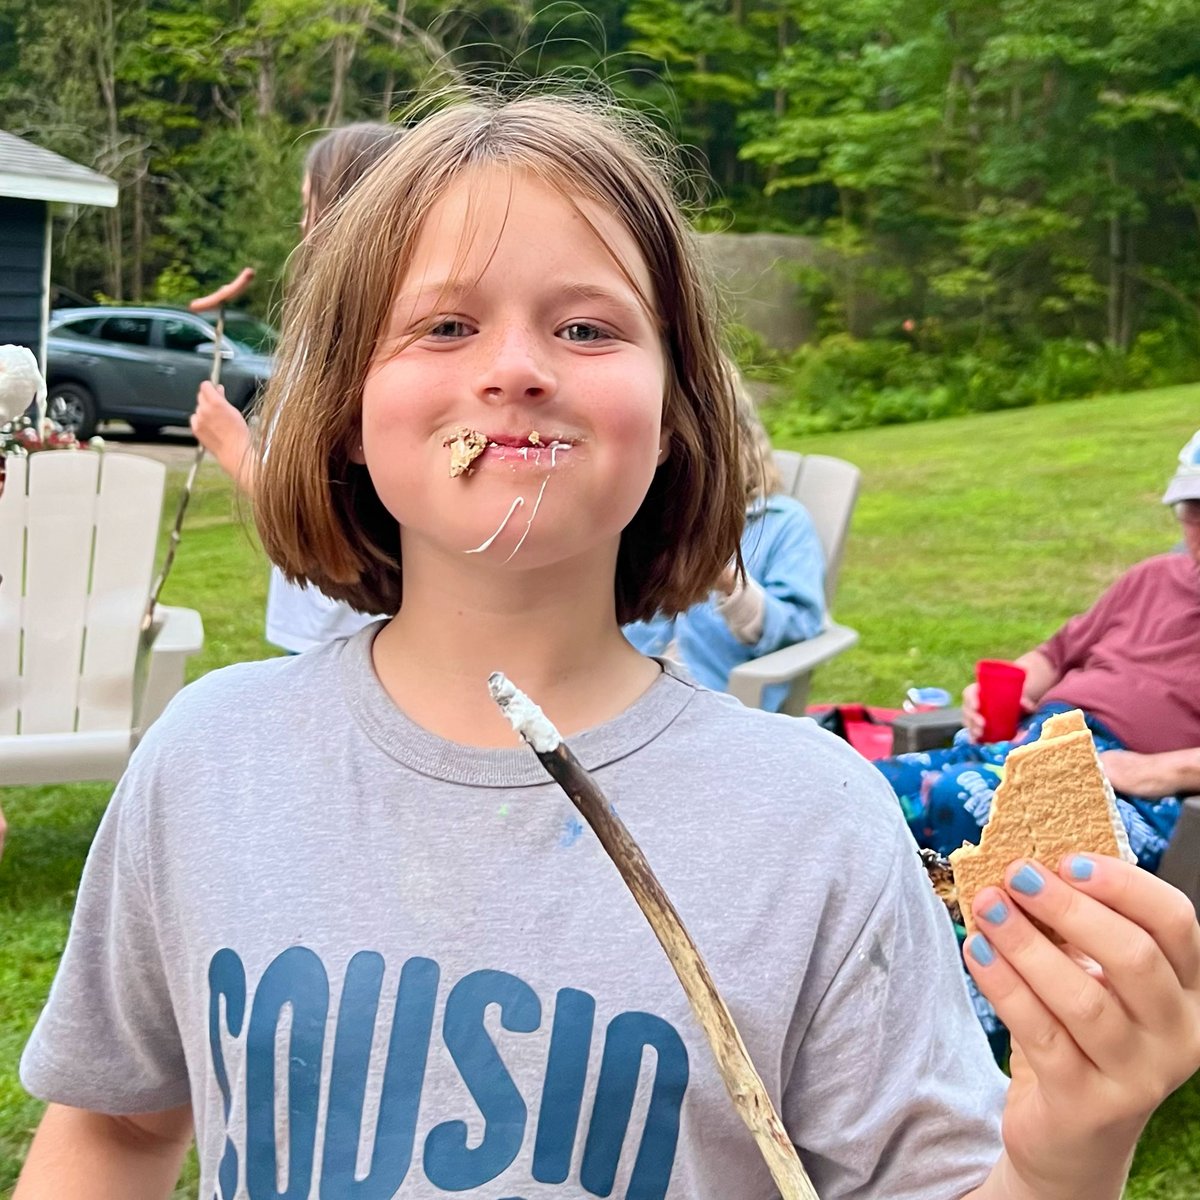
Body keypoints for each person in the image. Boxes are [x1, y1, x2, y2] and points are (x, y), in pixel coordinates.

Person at [16, 93, 1200, 1200]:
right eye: (444, 323)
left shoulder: (815, 825)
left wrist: (1058, 1162)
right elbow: (116, 1123)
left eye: (587, 326)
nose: (518, 367)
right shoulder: (209, 761)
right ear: (342, 407)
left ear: (679, 415)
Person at [876, 426, 1200, 875]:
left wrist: (1152, 772)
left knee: (965, 800)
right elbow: (1053, 655)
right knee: (862, 787)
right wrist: (1003, 691)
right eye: (1196, 510)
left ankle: (959, 942)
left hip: (1129, 794)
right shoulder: (1154, 577)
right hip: (1029, 743)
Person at [191, 121, 401, 653]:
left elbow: (318, 503)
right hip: (335, 624)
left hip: (348, 629)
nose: (303, 223)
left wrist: (230, 443)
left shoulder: (359, 341)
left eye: (312, 203)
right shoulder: (331, 329)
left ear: (350, 207)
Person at [623, 374, 825, 710]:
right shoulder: (639, 516)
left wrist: (729, 580)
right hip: (625, 694)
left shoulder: (782, 522)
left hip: (718, 701)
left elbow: (799, 629)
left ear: (740, 442)